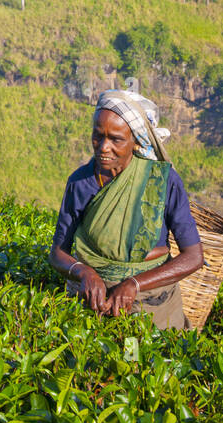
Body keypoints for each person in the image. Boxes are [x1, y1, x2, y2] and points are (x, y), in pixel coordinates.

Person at [49, 90, 203, 330]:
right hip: (93, 302)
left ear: (136, 142)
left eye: (116, 139)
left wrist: (134, 284)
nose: (103, 147)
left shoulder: (162, 181)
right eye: (97, 136)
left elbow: (193, 257)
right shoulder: (80, 183)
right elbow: (58, 253)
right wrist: (85, 274)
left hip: (152, 304)